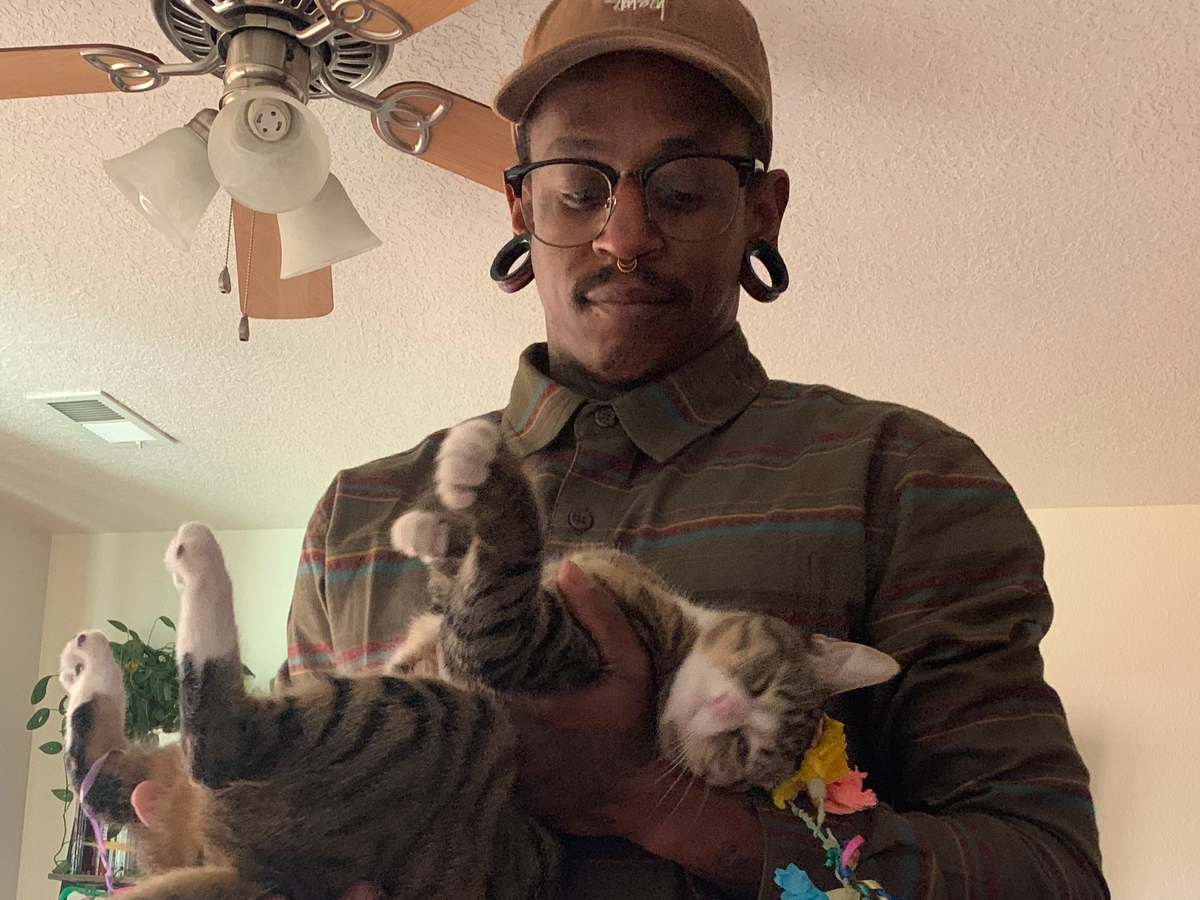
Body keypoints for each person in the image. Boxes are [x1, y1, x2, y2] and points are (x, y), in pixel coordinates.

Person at [160, 1, 1113, 898]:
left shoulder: (903, 476)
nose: (624, 237)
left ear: (763, 208)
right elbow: (286, 819)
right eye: (578, 188)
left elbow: (1048, 871)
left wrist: (648, 803)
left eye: (683, 188)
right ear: (519, 207)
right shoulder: (358, 513)